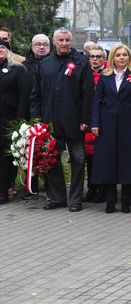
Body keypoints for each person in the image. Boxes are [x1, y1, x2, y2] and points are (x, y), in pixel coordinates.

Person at [30, 28, 94, 212]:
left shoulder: (81, 62)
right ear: (54, 41)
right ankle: (57, 197)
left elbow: (88, 94)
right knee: (50, 160)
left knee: (78, 160)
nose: (64, 43)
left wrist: (85, 119)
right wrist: (37, 119)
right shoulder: (45, 64)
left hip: (74, 122)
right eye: (61, 40)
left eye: (67, 40)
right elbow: (36, 95)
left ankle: (75, 199)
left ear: (71, 41)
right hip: (50, 123)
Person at [91, 44, 131, 214]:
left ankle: (126, 201)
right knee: (108, 162)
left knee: (127, 163)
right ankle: (110, 200)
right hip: (107, 125)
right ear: (112, 58)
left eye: (125, 55)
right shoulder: (105, 77)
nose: (122, 57)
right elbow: (97, 102)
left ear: (129, 58)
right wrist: (95, 123)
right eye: (118, 55)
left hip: (129, 126)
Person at [0, 39, 31, 204]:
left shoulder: (18, 70)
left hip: (8, 121)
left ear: (8, 51)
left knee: (5, 158)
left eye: (2, 47)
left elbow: (24, 98)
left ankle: (3, 191)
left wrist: (18, 122)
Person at [21, 34, 51, 199]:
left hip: (47, 114)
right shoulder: (23, 67)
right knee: (28, 151)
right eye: (38, 44)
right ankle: (30, 187)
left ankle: (49, 187)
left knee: (48, 151)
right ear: (32, 47)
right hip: (28, 115)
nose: (41, 47)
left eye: (45, 44)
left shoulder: (53, 65)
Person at [83, 44, 108, 204]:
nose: (95, 59)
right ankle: (91, 188)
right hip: (88, 121)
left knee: (103, 158)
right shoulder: (84, 74)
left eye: (98, 57)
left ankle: (103, 190)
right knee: (89, 159)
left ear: (104, 59)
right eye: (92, 57)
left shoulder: (109, 74)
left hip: (105, 121)